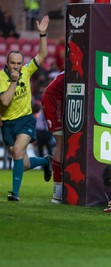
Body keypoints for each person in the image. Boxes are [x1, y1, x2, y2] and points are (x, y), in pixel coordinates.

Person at [0, 15, 51, 201]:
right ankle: (46, 161)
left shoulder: (26, 71)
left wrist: (43, 34)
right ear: (7, 63)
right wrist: (14, 81)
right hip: (7, 123)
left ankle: (15, 194)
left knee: (19, 151)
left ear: (22, 64)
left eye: (18, 63)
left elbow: (42, 55)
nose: (16, 66)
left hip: (26, 120)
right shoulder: (0, 79)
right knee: (23, 160)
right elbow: (4, 102)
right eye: (12, 63)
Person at [42, 72, 64, 203]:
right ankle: (57, 192)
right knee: (61, 144)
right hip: (54, 101)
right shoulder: (77, 70)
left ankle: (61, 189)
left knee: (63, 144)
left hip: (55, 99)